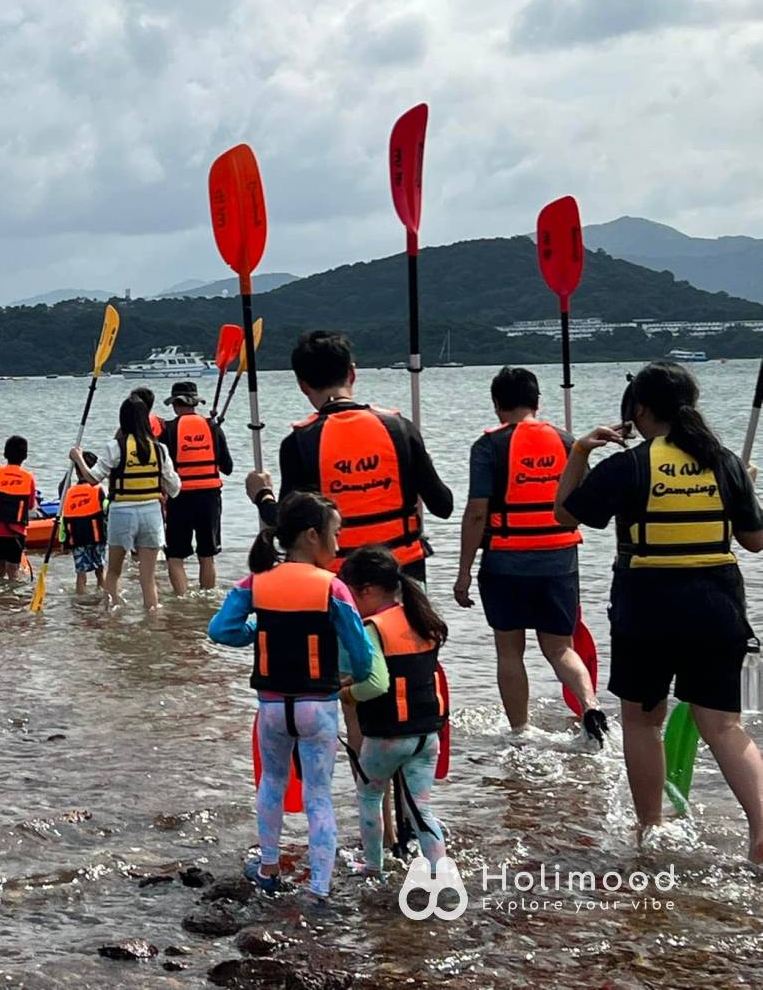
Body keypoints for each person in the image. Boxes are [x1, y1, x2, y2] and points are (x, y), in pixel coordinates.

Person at [554, 361, 763, 861]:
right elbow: (755, 541)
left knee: (644, 722)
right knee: (726, 728)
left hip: (647, 607)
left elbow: (565, 513)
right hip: (717, 604)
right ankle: (761, 833)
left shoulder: (630, 464)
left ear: (640, 410)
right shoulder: (726, 461)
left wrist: (581, 449)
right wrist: (745, 485)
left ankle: (651, 830)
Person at [207, 492, 381, 900]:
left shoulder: (257, 582)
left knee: (271, 781)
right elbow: (362, 655)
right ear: (311, 536)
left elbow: (220, 629)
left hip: (271, 707)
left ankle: (268, 867)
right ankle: (319, 887)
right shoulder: (333, 588)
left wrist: (256, 634)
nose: (338, 545)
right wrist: (350, 677)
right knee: (318, 794)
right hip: (316, 708)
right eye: (334, 534)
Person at [453, 367, 605, 740]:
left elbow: (476, 512)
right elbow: (584, 501)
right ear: (538, 402)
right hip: (559, 557)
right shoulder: (570, 442)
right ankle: (591, 705)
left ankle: (521, 731)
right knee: (560, 647)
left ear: (496, 405)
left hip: (506, 559)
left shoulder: (488, 446)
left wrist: (464, 571)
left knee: (509, 651)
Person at [270, 331, 453, 580]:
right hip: (403, 572)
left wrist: (262, 495)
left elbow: (287, 531)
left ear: (302, 385)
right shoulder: (400, 429)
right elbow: (443, 506)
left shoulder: (298, 443)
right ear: (352, 373)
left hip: (339, 579)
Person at [338, 546, 449, 875]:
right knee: (421, 810)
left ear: (367, 591)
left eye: (351, 595)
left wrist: (345, 694)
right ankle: (439, 869)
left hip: (388, 736)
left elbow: (376, 684)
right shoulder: (421, 617)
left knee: (369, 795)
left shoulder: (373, 627)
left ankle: (374, 864)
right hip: (427, 735)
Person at [69, 395, 181, 610]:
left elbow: (93, 479)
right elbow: (175, 489)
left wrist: (78, 458)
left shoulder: (115, 447)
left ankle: (111, 619)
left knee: (113, 572)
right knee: (147, 579)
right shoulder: (160, 449)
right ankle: (152, 621)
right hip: (151, 514)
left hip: (122, 513)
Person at [160, 380, 234, 593]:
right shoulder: (213, 427)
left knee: (175, 556)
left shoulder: (168, 430)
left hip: (179, 497)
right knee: (207, 555)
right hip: (209, 497)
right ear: (195, 403)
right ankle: (207, 600)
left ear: (175, 404)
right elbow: (227, 467)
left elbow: (164, 469)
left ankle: (182, 600)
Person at [0, 435, 39, 580]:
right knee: (13, 569)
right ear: (25, 456)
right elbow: (31, 505)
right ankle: (12, 599)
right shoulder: (28, 477)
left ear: (5, 454)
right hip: (15, 532)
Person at [62, 451, 107, 594]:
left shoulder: (68, 492)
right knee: (100, 572)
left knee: (81, 575)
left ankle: (79, 602)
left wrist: (63, 541)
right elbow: (106, 512)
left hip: (77, 540)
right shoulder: (99, 489)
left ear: (76, 472)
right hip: (97, 538)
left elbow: (64, 520)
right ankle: (104, 597)